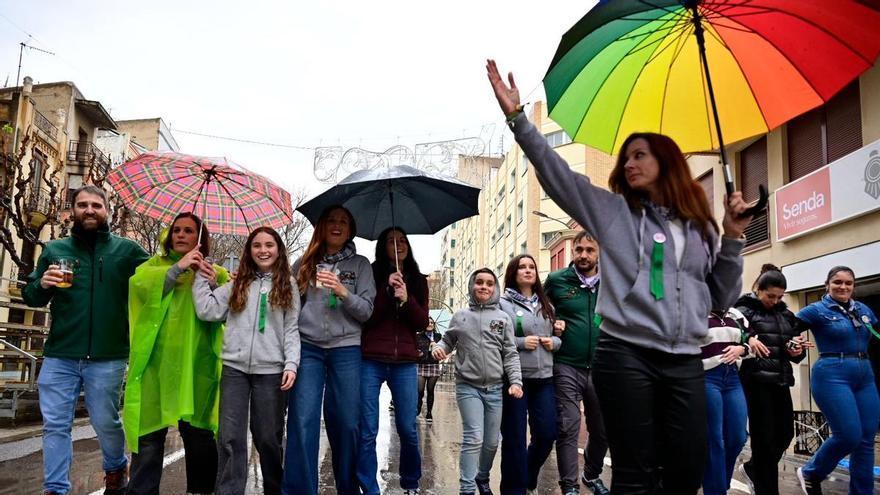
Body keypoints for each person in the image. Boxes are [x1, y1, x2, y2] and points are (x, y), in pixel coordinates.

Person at [487, 59, 751, 493]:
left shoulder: (699, 225)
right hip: (626, 354)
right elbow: (558, 177)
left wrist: (734, 237)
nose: (629, 164)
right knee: (635, 471)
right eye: (626, 158)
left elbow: (720, 296)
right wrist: (518, 120)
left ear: (666, 162)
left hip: (685, 358)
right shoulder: (612, 212)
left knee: (687, 468)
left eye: (640, 155)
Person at [24, 185, 149, 495]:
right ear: (73, 210)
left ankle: (115, 468)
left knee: (106, 422)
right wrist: (42, 283)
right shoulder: (55, 250)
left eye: (96, 205)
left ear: (107, 210)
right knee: (55, 426)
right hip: (60, 355)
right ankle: (55, 488)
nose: (89, 210)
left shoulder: (128, 251)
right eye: (82, 205)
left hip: (108, 356)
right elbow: (32, 297)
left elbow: (158, 278)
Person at [124, 212, 229, 495]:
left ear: (200, 237)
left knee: (199, 436)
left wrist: (213, 286)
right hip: (156, 366)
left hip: (197, 365)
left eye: (189, 231)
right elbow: (139, 288)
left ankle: (200, 491)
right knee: (149, 437)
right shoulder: (152, 268)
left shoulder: (215, 273)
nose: (181, 235)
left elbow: (230, 311)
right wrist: (177, 269)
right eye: (176, 230)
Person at [192, 226, 300, 495]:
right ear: (249, 251)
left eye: (269, 245)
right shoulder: (237, 283)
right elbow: (208, 310)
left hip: (271, 371)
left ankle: (274, 488)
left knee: (268, 438)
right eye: (257, 245)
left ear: (278, 250)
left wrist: (291, 364)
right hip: (234, 370)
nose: (263, 250)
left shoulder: (289, 284)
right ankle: (229, 490)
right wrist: (200, 279)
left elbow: (291, 328)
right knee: (230, 437)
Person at [283, 205, 375, 495]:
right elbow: (288, 306)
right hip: (308, 348)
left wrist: (343, 291)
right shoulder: (304, 263)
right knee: (302, 420)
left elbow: (366, 311)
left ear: (350, 230)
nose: (337, 225)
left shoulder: (360, 265)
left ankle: (347, 488)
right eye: (331, 220)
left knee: (347, 423)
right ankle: (299, 490)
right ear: (322, 227)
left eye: (343, 222)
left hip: (346, 349)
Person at [433, 268, 523, 495]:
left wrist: (516, 382)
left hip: (495, 388)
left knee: (492, 442)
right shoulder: (461, 316)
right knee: (474, 437)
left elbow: (510, 353)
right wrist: (439, 349)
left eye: (489, 283)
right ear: (472, 285)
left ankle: (482, 477)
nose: (484, 286)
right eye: (479, 282)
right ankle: (466, 489)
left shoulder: (503, 319)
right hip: (467, 386)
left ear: (495, 288)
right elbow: (447, 341)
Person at [795, 266, 879, 495]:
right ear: (827, 284)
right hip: (832, 373)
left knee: (865, 439)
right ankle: (811, 471)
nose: (843, 287)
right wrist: (793, 344)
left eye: (848, 283)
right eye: (837, 282)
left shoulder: (863, 309)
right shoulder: (815, 310)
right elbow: (787, 330)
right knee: (849, 434)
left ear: (853, 286)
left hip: (865, 374)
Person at [357, 227, 428, 495]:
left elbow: (421, 322)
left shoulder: (418, 280)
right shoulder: (371, 274)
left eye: (401, 240)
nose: (397, 245)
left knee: (408, 428)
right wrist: (387, 291)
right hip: (371, 359)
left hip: (405, 362)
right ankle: (369, 487)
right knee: (367, 429)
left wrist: (406, 298)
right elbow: (365, 316)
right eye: (390, 241)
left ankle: (411, 483)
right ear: (382, 247)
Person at [543, 232, 608, 495]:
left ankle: (591, 475)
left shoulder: (612, 282)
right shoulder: (557, 281)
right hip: (566, 363)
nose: (583, 255)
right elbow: (540, 311)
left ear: (598, 253)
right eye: (579, 249)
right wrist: (552, 325)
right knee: (568, 425)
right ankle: (569, 484)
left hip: (602, 366)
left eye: (589, 250)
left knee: (602, 429)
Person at [734, 265, 809, 495]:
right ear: (758, 289)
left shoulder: (786, 315)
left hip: (781, 381)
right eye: (770, 296)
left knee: (786, 434)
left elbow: (789, 347)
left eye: (779, 297)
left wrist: (796, 351)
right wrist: (748, 341)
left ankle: (753, 468)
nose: (775, 301)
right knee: (764, 441)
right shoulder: (743, 311)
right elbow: (732, 338)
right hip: (755, 382)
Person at [498, 254, 561, 495]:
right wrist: (523, 342)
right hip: (516, 379)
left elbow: (557, 337)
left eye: (531, 267)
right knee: (514, 438)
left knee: (547, 434)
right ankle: (513, 490)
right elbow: (497, 339)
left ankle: (528, 476)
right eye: (522, 267)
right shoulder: (503, 304)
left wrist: (553, 341)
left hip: (544, 379)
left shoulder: (546, 305)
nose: (528, 270)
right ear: (513, 273)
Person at [700, 307, 751, 495]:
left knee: (738, 437)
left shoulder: (735, 314)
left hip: (733, 377)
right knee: (715, 439)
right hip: (706, 376)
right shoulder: (695, 308)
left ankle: (718, 481)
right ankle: (717, 489)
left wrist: (742, 348)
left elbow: (753, 341)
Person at [416, 317, 443, 422]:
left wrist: (435, 345)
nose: (430, 324)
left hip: (433, 365)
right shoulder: (418, 336)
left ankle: (429, 413)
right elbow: (416, 349)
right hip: (421, 365)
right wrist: (422, 352)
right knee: (420, 390)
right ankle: (418, 407)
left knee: (430, 390)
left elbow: (443, 348)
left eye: (432, 322)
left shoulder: (438, 336)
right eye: (428, 322)